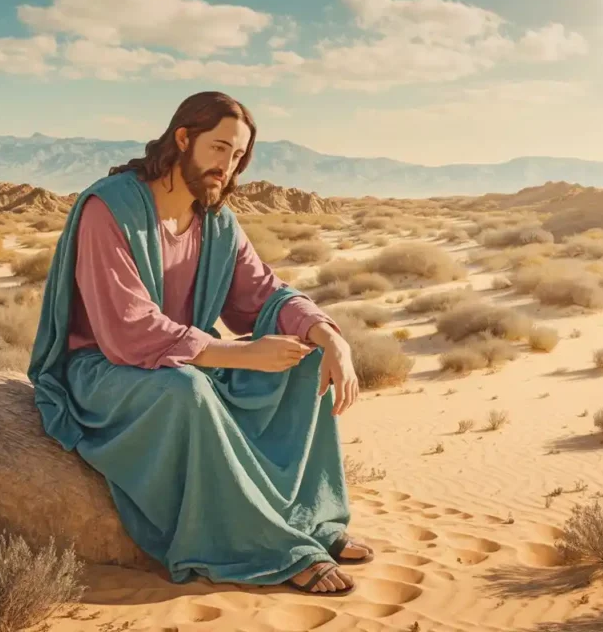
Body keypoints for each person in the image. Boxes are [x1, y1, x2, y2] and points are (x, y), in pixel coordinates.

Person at [27, 91, 371, 597]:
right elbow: (127, 328)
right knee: (186, 390)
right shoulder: (110, 208)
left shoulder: (215, 220)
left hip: (185, 358)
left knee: (305, 360)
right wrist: (236, 353)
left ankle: (309, 522)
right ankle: (262, 547)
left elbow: (264, 293)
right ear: (182, 138)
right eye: (218, 148)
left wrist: (327, 336)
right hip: (103, 372)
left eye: (237, 157)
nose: (225, 167)